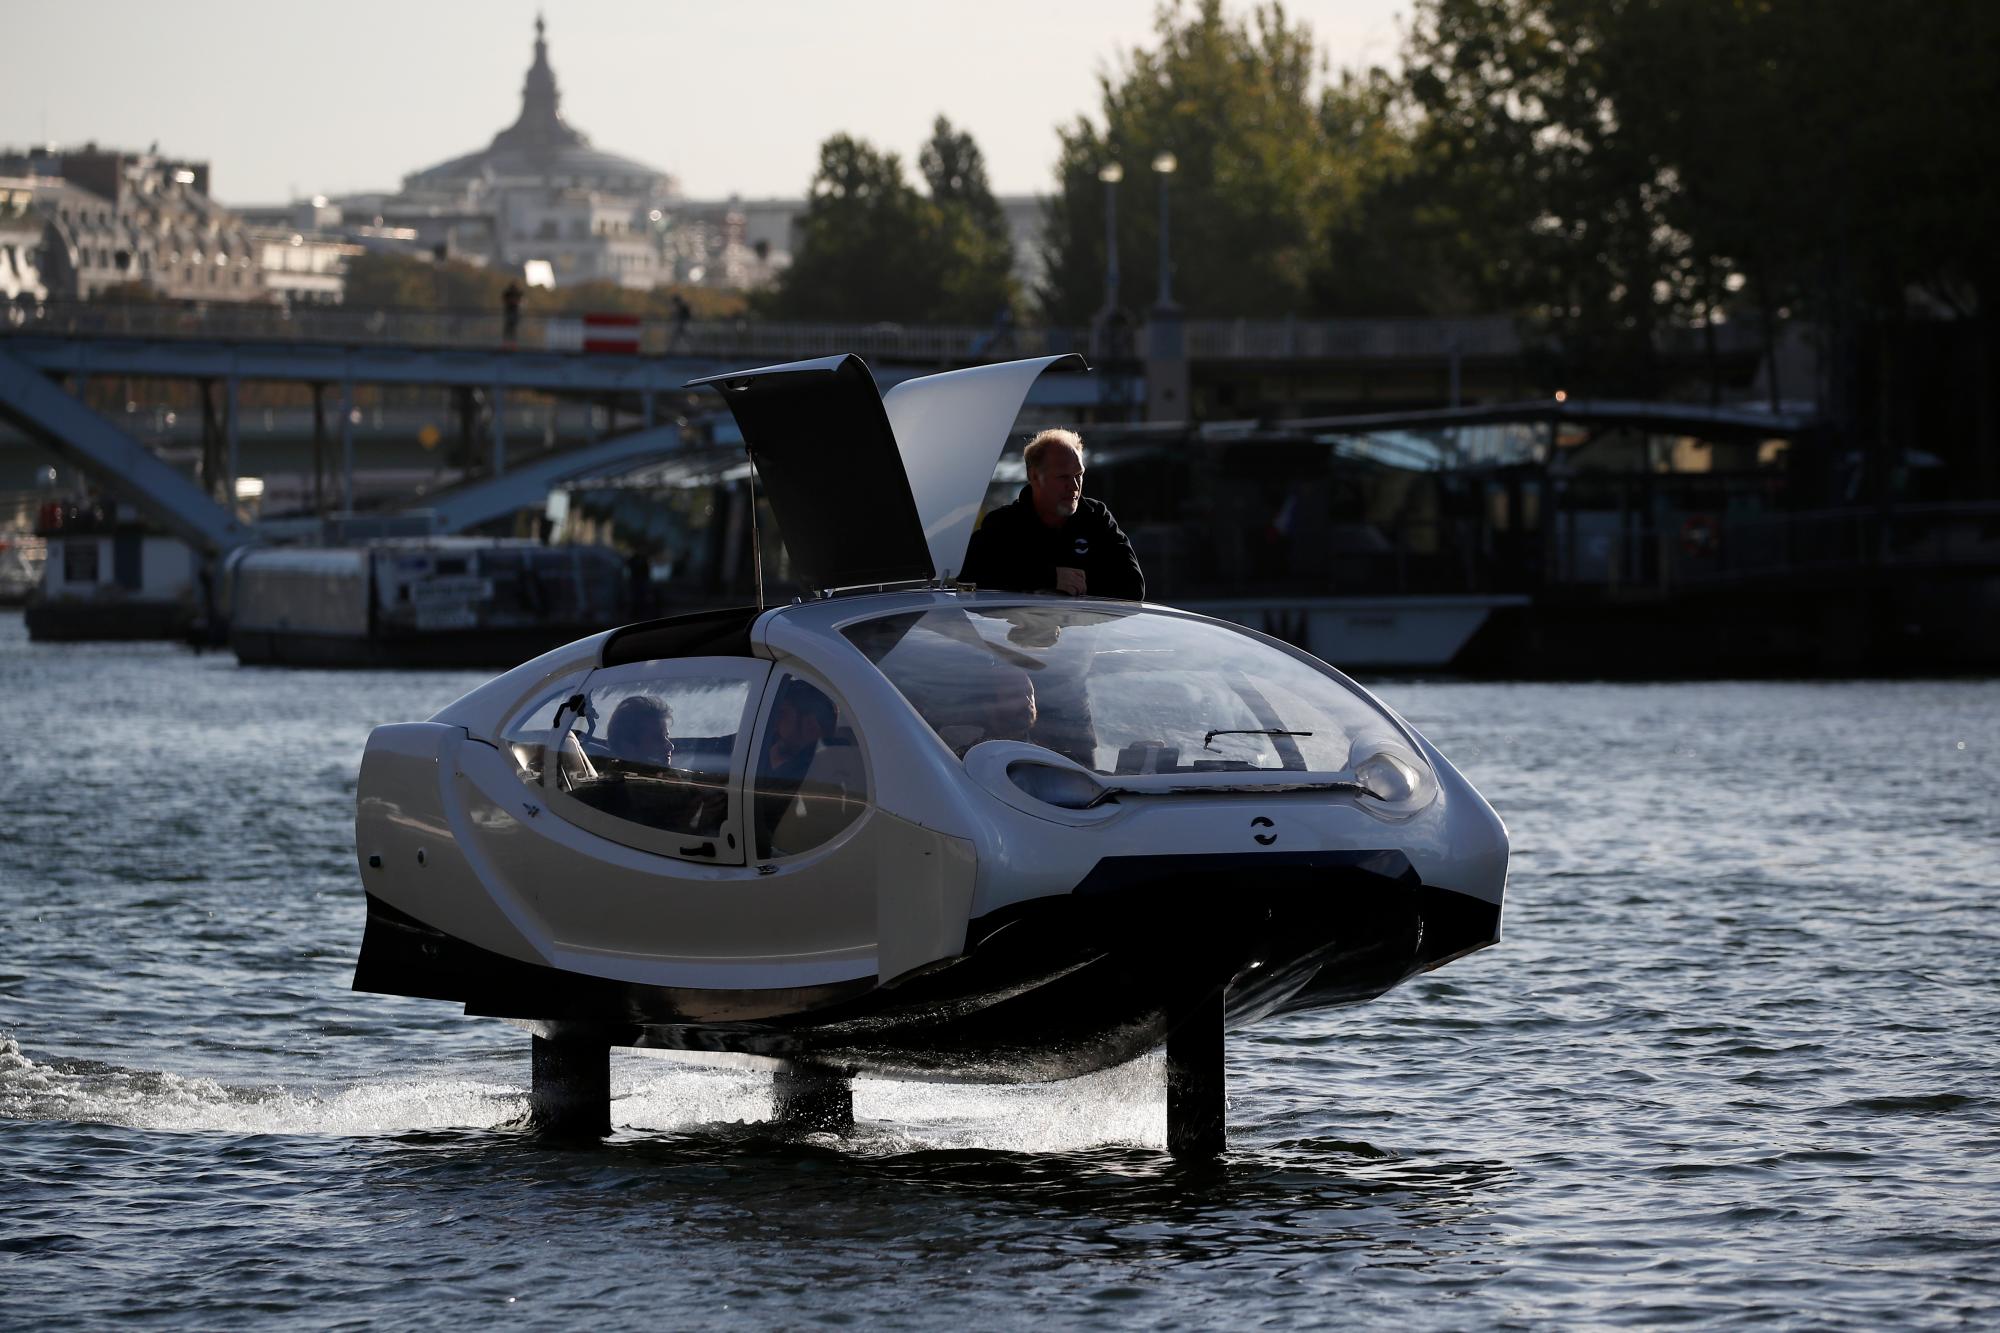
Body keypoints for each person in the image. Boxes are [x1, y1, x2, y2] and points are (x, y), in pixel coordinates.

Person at [958, 429, 1144, 600]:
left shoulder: (1097, 518)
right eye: (1063, 477)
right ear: (1034, 476)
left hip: (1084, 626)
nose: (1074, 486)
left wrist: (1067, 584)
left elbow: (1133, 588)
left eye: (1078, 475)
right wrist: (1050, 577)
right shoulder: (1004, 524)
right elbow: (969, 578)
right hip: (1019, 625)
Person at [501, 280, 523, 346]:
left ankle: (512, 344)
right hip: (509, 312)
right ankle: (506, 344)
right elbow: (504, 299)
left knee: (512, 329)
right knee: (508, 329)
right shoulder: (508, 293)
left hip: (514, 312)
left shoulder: (517, 293)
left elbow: (520, 301)